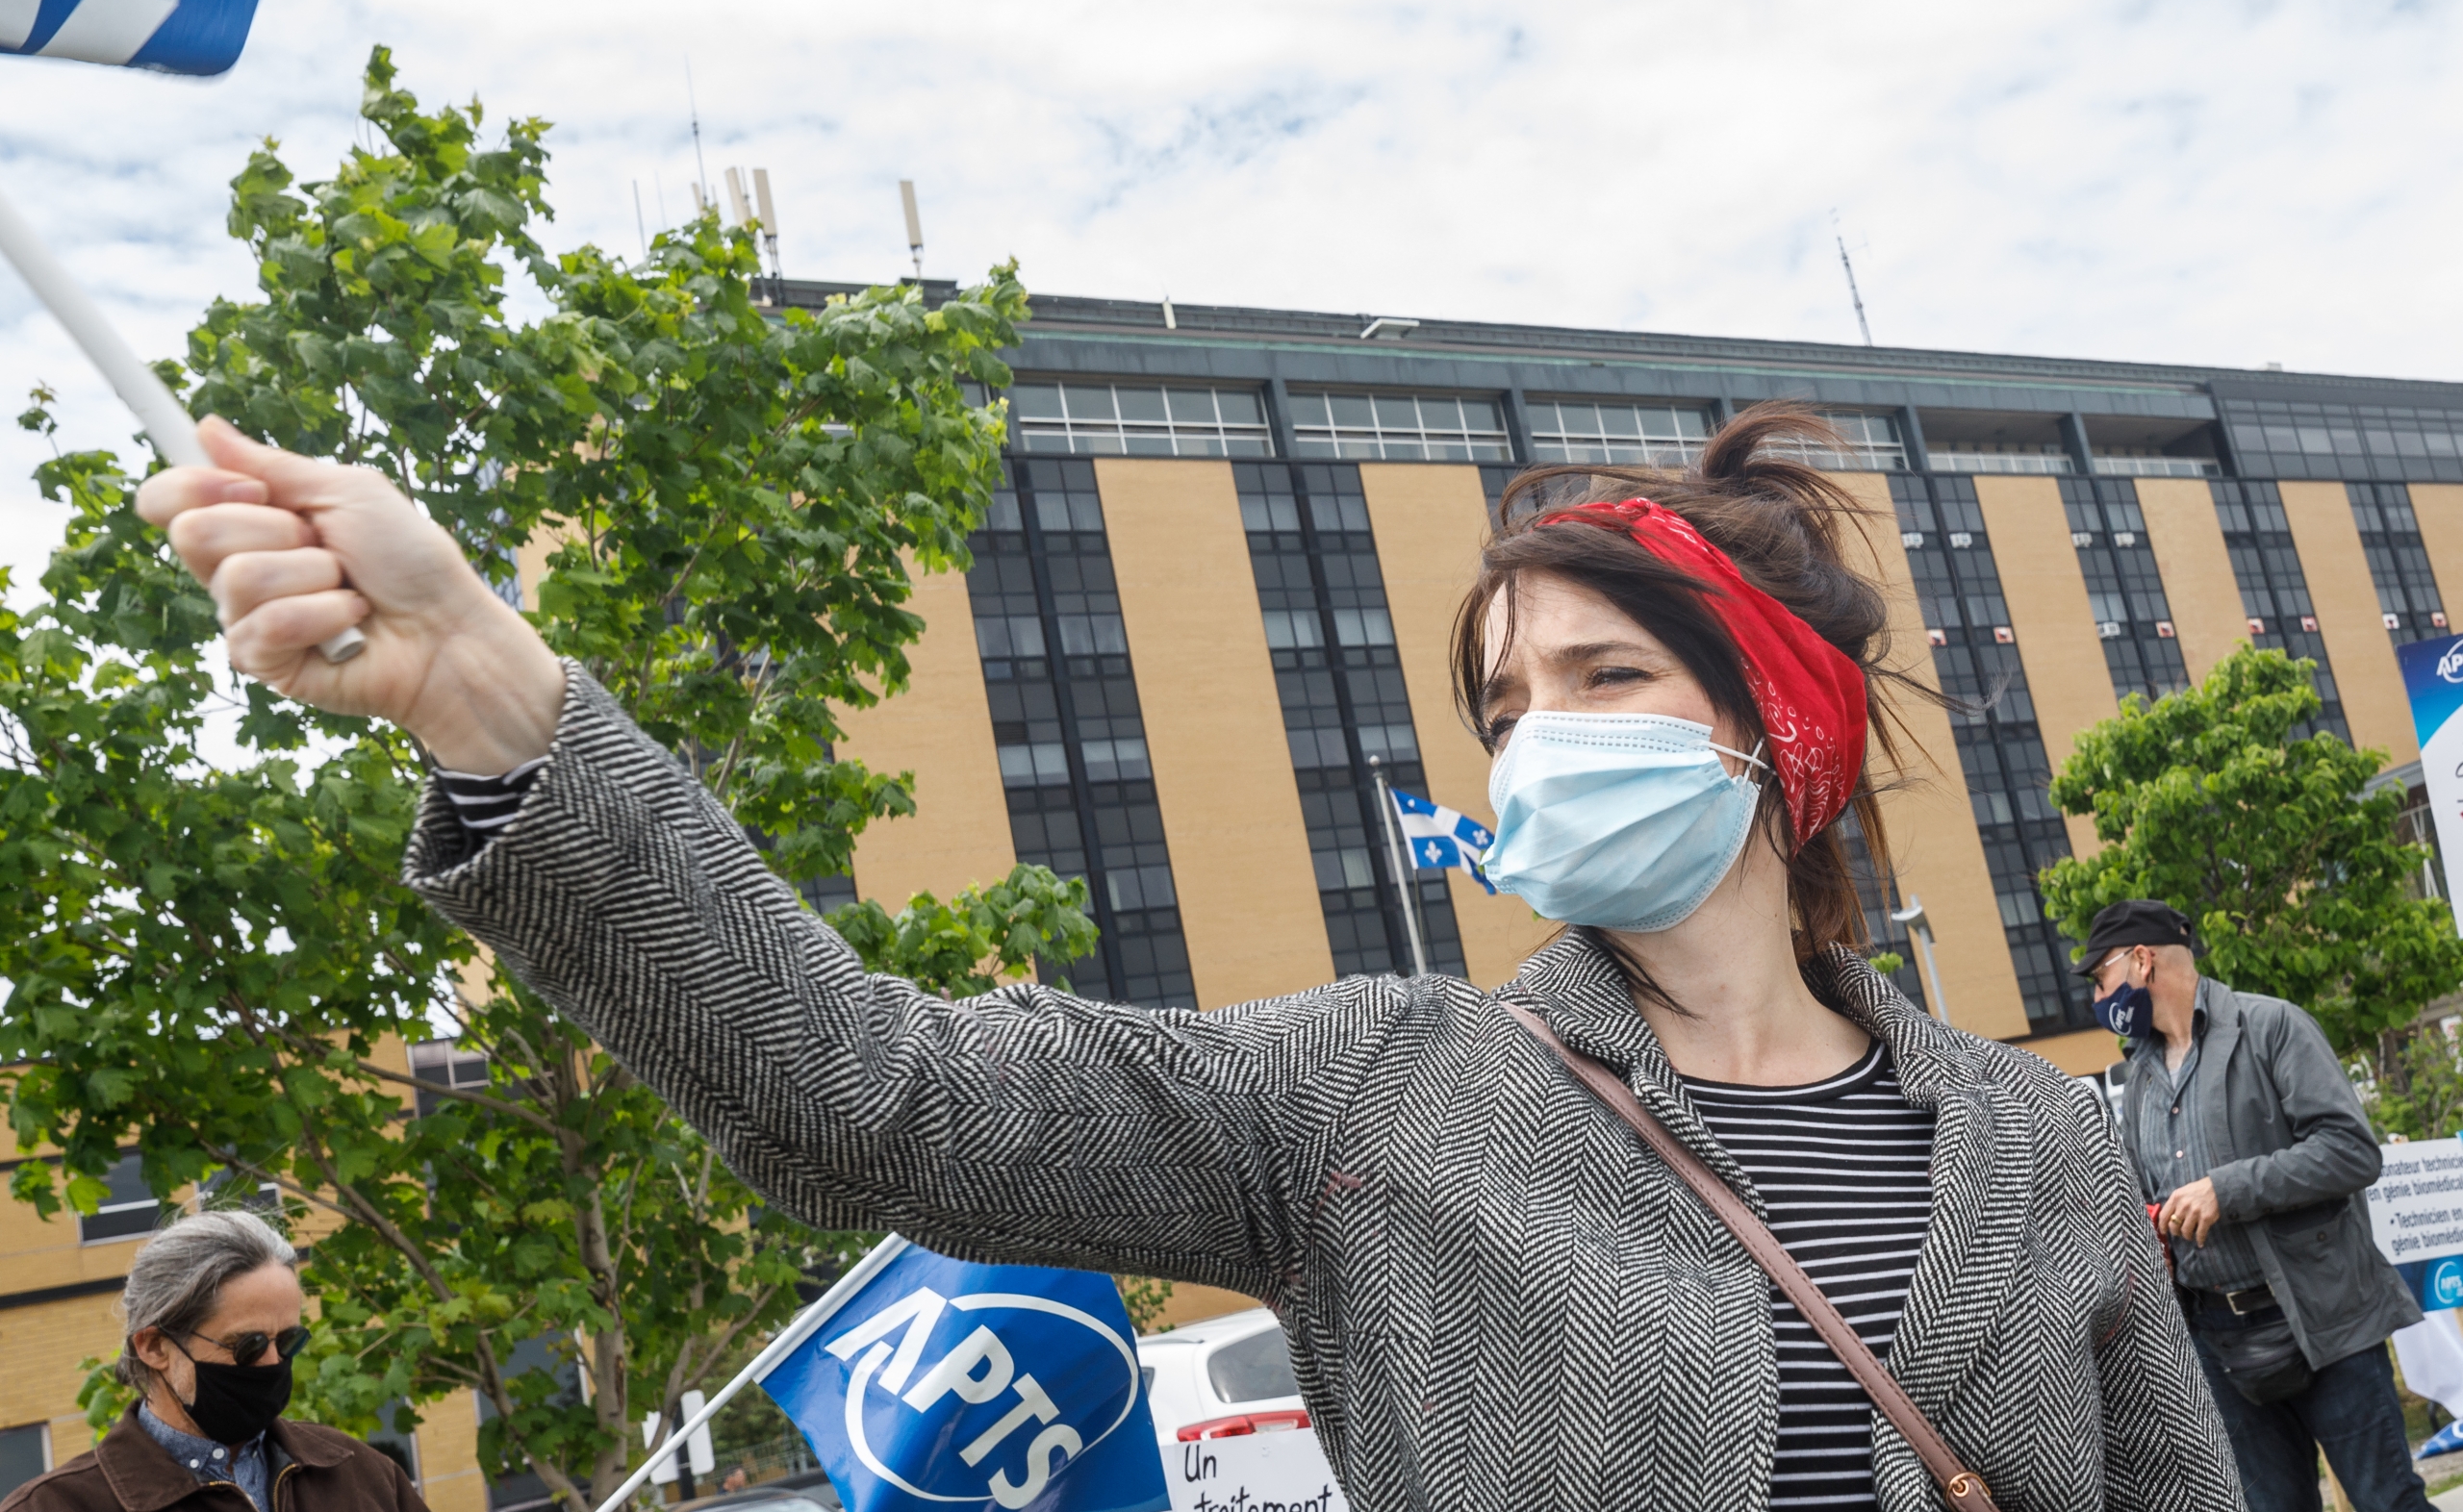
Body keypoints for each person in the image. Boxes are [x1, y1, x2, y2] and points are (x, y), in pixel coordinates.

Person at [139, 405, 2243, 1511]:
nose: (1535, 736)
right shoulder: (1372, 1087)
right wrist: (490, 693)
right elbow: (866, 1092)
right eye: (1504, 702)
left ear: (1775, 725)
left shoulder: (2035, 1141)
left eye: (1605, 676)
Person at [2081, 898, 2429, 1512]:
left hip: (2326, 1322)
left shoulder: (2273, 1026)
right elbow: (2145, 1200)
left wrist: (2226, 1189)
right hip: (2220, 1345)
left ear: (2141, 960)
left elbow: (2351, 1152)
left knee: (2387, 1502)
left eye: (2099, 976)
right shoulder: (2138, 1078)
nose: (2096, 996)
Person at [0, 1208, 427, 1512]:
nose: (272, 1363)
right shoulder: (52, 1506)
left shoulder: (361, 1474)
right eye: (248, 1346)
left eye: (289, 1341)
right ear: (154, 1347)